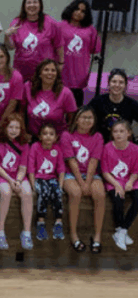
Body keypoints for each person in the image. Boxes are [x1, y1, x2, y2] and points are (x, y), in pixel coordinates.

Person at [62, 107, 106, 253]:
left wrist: (87, 182)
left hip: (91, 174)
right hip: (70, 174)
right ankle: (74, 235)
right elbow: (71, 162)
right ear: (76, 119)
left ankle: (97, 236)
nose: (87, 120)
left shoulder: (98, 137)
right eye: (83, 117)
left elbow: (94, 161)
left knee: (100, 194)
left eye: (90, 118)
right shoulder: (67, 135)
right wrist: (81, 183)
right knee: (75, 193)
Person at [0, 113, 34, 251]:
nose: (14, 130)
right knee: (6, 192)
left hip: (17, 175)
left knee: (27, 193)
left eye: (17, 128)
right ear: (5, 127)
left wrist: (18, 180)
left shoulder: (24, 143)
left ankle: (26, 232)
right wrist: (10, 181)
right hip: (1, 174)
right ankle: (0, 231)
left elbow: (23, 166)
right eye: (11, 127)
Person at [6, 0, 63, 82]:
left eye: (35, 2)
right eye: (29, 2)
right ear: (24, 6)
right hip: (22, 72)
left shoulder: (51, 23)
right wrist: (6, 36)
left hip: (44, 74)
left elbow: (59, 45)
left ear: (40, 5)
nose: (32, 5)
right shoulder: (16, 23)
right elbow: (10, 47)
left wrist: (61, 63)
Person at [103, 120, 138, 251]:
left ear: (128, 133)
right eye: (115, 131)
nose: (118, 134)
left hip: (131, 180)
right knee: (118, 199)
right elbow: (105, 172)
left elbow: (136, 171)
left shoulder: (135, 149)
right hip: (113, 180)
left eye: (121, 131)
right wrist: (117, 184)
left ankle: (122, 231)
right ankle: (121, 231)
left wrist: (129, 182)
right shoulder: (107, 148)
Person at [29, 123, 67, 242]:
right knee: (44, 192)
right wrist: (33, 185)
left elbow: (61, 169)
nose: (48, 137)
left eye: (51, 134)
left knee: (57, 192)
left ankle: (58, 223)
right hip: (39, 178)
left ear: (56, 137)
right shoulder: (35, 147)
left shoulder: (57, 149)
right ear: (40, 136)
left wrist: (60, 185)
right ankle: (40, 222)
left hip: (52, 178)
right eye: (45, 134)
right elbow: (31, 168)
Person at [24, 59, 77, 137]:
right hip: (32, 137)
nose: (50, 73)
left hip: (55, 139)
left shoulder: (66, 93)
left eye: (53, 70)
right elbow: (21, 112)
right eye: (46, 70)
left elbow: (72, 119)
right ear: (39, 74)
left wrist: (63, 137)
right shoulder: (28, 87)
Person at [89, 68, 138, 142]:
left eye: (121, 82)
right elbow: (84, 117)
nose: (117, 85)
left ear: (125, 85)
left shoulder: (131, 104)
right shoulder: (98, 101)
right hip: (102, 143)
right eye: (114, 82)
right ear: (109, 83)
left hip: (123, 144)